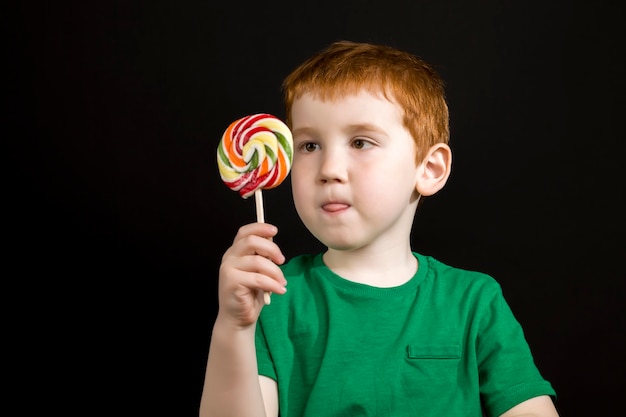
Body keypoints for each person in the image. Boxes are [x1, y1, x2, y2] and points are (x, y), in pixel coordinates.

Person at [200, 40, 559, 417]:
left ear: (429, 169)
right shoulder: (269, 299)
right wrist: (234, 329)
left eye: (360, 142)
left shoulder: (473, 303)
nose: (329, 169)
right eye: (309, 146)